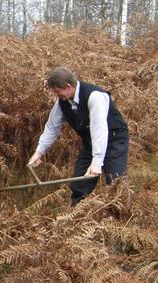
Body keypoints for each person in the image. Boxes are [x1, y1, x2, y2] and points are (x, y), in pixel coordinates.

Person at [28, 66, 129, 206]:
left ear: (68, 87)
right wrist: (39, 151)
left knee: (115, 182)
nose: (55, 95)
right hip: (91, 142)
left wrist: (96, 163)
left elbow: (99, 130)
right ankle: (77, 214)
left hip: (114, 139)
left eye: (57, 91)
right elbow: (52, 127)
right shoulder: (62, 102)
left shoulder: (95, 96)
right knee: (79, 183)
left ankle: (121, 214)